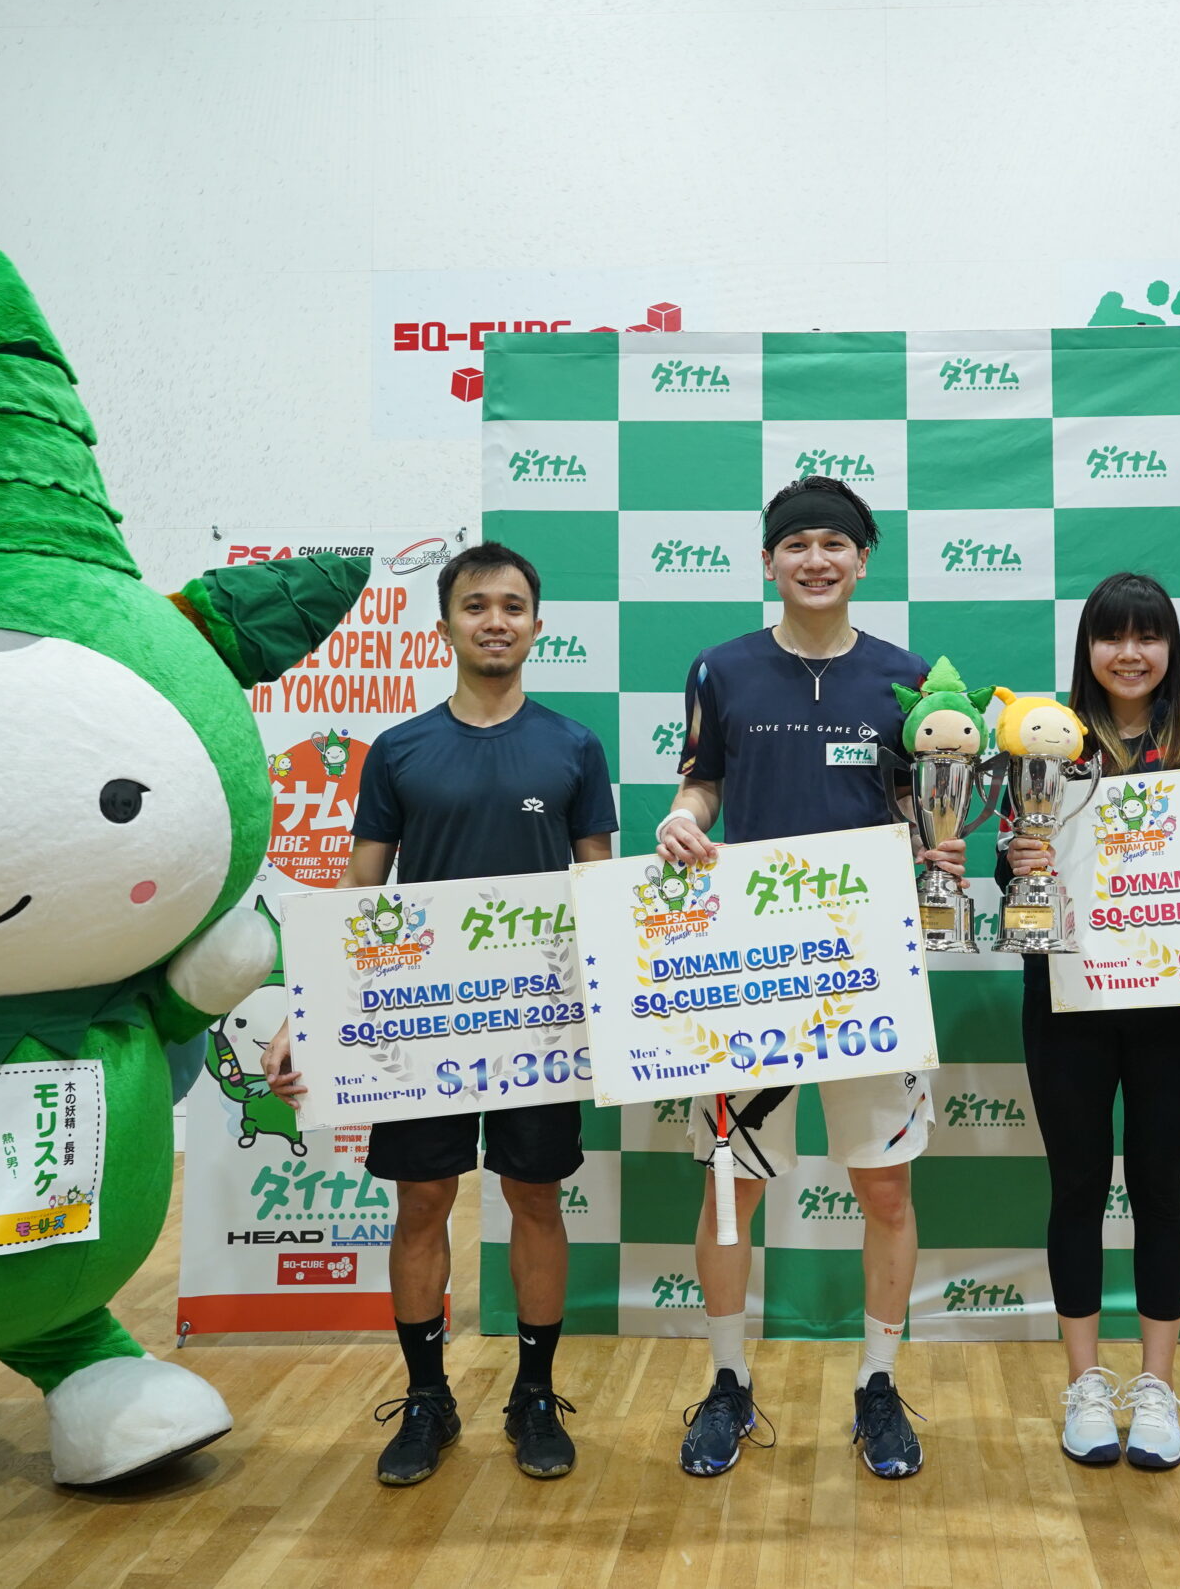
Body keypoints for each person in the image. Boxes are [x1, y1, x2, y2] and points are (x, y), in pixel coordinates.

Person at [263, 541, 615, 1487]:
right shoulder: (402, 749)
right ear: (446, 624)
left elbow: (601, 889)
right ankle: (428, 1397)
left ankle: (534, 1394)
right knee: (423, 1200)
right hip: (424, 1028)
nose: (493, 619)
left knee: (535, 1197)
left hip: (539, 1023)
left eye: (511, 605)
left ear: (537, 625)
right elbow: (356, 894)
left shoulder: (575, 745)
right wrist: (309, 1011)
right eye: (474, 605)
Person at [655, 475, 963, 1481]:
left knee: (882, 1191)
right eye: (796, 545)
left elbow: (930, 807)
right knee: (730, 1192)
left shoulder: (904, 676)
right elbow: (703, 778)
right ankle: (728, 1386)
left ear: (862, 559)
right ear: (769, 559)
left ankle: (878, 1383)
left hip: (869, 968)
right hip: (748, 969)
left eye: (835, 544)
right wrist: (687, 817)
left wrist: (939, 851)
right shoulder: (721, 669)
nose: (816, 560)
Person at [998, 572, 1180, 1471]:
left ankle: (1157, 1389)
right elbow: (1010, 878)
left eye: (1149, 637)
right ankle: (1085, 1385)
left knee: (1158, 1190)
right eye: (1112, 637)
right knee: (1075, 1187)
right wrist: (1017, 855)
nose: (1130, 654)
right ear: (1087, 650)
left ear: (1172, 648)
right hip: (1067, 998)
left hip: (1176, 1009)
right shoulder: (1045, 744)